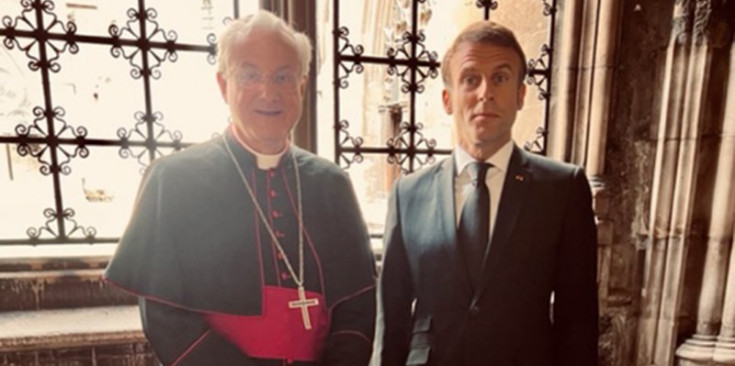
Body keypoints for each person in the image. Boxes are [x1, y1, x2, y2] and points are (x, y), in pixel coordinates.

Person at [104, 10, 376, 366]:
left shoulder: (332, 185)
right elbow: (166, 318)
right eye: (250, 75)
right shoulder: (174, 181)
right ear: (223, 84)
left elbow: (356, 306)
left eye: (283, 76)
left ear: (302, 86)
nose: (268, 91)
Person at [377, 20, 598, 366]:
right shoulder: (409, 195)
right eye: (470, 79)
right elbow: (391, 318)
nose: (485, 93)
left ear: (521, 95)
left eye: (500, 78)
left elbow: (578, 318)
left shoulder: (563, 189)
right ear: (448, 99)